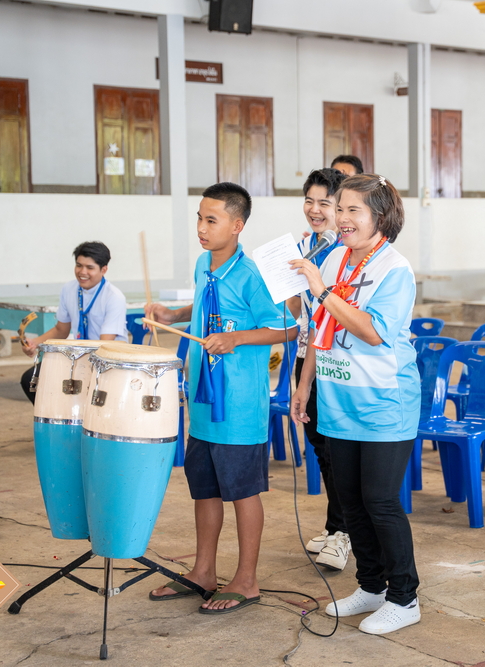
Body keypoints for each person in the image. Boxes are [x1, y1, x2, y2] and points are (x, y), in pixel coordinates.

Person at [145, 183, 296, 614]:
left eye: (211, 220)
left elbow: (286, 328)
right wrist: (173, 314)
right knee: (205, 491)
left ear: (237, 225)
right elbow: (203, 306)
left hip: (240, 405)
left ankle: (247, 579)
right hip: (203, 401)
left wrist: (236, 338)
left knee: (243, 492)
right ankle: (203, 571)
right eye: (199, 217)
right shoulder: (203, 264)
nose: (201, 227)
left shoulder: (252, 275)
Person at [288, 174, 422, 635]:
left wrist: (322, 290)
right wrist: (304, 383)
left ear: (380, 217)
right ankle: (371, 586)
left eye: (352, 211)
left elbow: (373, 331)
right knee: (350, 502)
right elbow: (319, 330)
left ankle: (404, 597)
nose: (341, 219)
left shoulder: (394, 269)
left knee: (380, 501)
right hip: (337, 398)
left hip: (384, 402)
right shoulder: (336, 259)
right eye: (339, 208)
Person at [286, 168, 350, 570]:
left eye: (324, 203)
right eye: (309, 201)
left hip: (337, 359)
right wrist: (286, 286)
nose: (315, 209)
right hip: (305, 353)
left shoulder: (345, 250)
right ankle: (335, 524)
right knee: (320, 446)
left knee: (338, 447)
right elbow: (299, 309)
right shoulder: (303, 246)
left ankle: (345, 532)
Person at [18, 241, 127, 404]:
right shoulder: (69, 289)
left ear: (104, 269)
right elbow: (61, 329)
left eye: (90, 267)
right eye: (78, 265)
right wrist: (35, 343)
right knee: (30, 380)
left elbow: (105, 344)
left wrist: (74, 357)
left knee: (81, 389)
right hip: (80, 356)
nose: (82, 272)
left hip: (108, 359)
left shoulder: (114, 297)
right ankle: (53, 418)